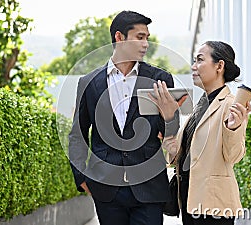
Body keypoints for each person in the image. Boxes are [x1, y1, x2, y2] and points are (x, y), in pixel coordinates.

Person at [68, 10, 186, 225]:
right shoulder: (88, 82)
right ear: (119, 37)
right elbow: (77, 134)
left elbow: (168, 131)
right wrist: (82, 177)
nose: (146, 44)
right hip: (106, 188)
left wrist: (170, 116)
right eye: (139, 37)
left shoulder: (159, 79)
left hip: (149, 187)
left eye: (147, 38)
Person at [162, 41, 251, 225]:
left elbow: (233, 155)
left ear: (219, 66)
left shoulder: (230, 105)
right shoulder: (200, 106)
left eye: (200, 60)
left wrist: (233, 128)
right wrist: (170, 143)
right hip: (189, 200)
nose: (193, 67)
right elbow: (184, 156)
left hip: (214, 205)